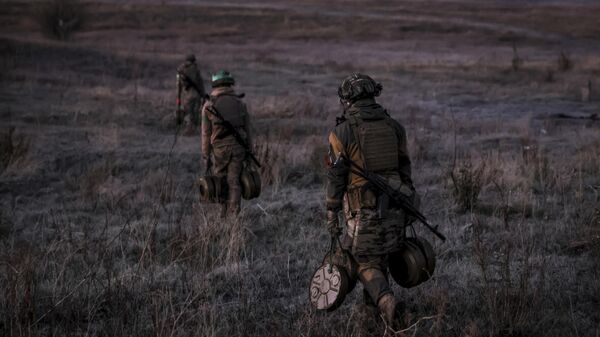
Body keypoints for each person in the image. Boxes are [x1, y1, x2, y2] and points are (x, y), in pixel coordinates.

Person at [325, 73, 417, 328]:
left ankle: (387, 302)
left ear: (347, 99)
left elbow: (335, 176)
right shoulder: (394, 127)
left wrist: (332, 211)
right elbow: (405, 169)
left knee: (360, 259)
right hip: (397, 206)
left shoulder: (341, 132)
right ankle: (371, 320)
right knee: (380, 258)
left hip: (362, 210)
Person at [201, 70, 251, 217]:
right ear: (230, 84)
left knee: (220, 181)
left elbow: (205, 134)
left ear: (215, 84)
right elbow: (248, 130)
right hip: (239, 148)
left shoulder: (208, 105)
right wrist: (250, 151)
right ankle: (234, 216)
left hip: (219, 150)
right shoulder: (240, 103)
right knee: (234, 181)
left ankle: (222, 215)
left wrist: (205, 155)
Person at [176, 54, 206, 135]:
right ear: (194, 61)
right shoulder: (196, 69)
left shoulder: (180, 70)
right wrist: (203, 96)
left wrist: (178, 98)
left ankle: (188, 130)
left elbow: (179, 86)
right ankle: (195, 130)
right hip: (197, 95)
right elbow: (201, 84)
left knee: (188, 112)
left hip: (187, 95)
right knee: (195, 113)